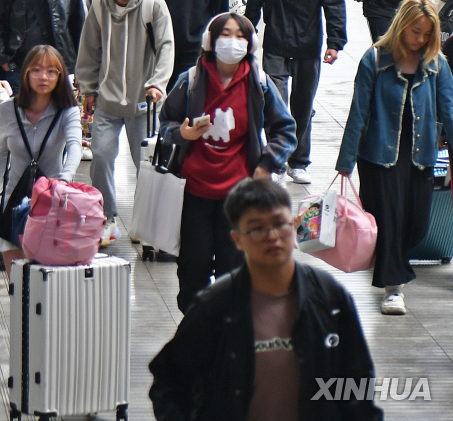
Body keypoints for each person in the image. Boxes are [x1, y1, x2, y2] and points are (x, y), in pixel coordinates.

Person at [149, 177, 382, 421]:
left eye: (280, 224)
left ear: (294, 228)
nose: (272, 236)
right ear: (238, 239)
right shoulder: (215, 306)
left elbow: (357, 381)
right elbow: (170, 379)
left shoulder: (329, 298)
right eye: (257, 228)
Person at [161, 12, 296, 313]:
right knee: (192, 270)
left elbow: (285, 129)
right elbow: (165, 125)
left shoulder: (259, 83)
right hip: (194, 193)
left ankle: (229, 333)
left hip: (239, 199)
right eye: (225, 34)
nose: (232, 42)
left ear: (250, 44)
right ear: (211, 40)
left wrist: (265, 166)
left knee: (234, 270)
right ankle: (196, 329)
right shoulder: (192, 80)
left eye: (240, 36)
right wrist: (181, 133)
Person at [337, 0, 453, 316]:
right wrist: (345, 162)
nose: (420, 39)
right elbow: (358, 114)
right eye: (415, 31)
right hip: (378, 154)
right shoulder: (374, 59)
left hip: (420, 155)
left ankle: (393, 262)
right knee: (389, 219)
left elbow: (450, 112)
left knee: (417, 223)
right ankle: (393, 288)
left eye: (427, 34)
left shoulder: (437, 65)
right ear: (401, 25)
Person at [74, 0, 174, 246]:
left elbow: (167, 48)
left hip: (143, 106)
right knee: (101, 158)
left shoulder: (153, 4)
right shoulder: (99, 3)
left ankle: (148, 226)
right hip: (106, 100)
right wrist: (88, 89)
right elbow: (89, 49)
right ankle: (108, 220)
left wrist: (157, 83)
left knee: (145, 166)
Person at [245, 0, 346, 186]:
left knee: (302, 106)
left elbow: (334, 4)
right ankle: (275, 160)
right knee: (274, 103)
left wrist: (334, 42)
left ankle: (298, 162)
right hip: (275, 42)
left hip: (308, 47)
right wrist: (246, 30)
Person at [0, 44, 83, 276]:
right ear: (26, 73)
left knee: (46, 282)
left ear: (60, 76)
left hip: (52, 204)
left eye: (51, 71)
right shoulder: (8, 110)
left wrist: (64, 181)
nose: (43, 77)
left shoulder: (67, 111)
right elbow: (1, 157)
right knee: (17, 285)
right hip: (12, 203)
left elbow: (75, 146)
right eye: (36, 70)